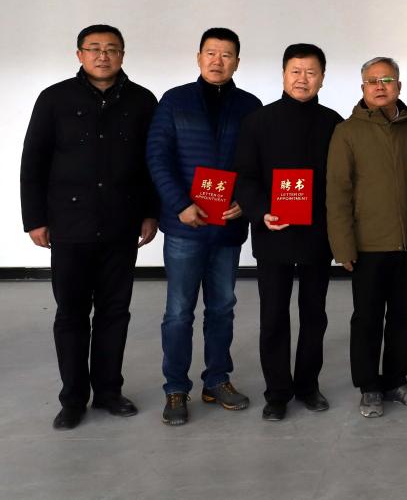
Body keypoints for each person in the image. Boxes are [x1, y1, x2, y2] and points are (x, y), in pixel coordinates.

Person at [21, 24, 158, 430]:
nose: (103, 55)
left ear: (122, 55)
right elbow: (33, 161)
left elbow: (152, 163)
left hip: (121, 225)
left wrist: (151, 212)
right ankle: (73, 399)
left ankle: (110, 392)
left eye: (112, 49)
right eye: (94, 48)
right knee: (71, 314)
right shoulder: (54, 98)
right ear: (79, 54)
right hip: (69, 226)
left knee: (115, 312)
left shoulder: (142, 100)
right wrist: (35, 219)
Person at [146, 27, 262, 425]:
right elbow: (157, 157)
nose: (218, 60)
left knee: (223, 308)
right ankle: (176, 388)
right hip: (186, 228)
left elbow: (256, 164)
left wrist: (245, 201)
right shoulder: (174, 100)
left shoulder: (249, 106)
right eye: (211, 53)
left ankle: (217, 380)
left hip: (227, 228)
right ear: (198, 58)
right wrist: (180, 204)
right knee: (179, 311)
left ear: (237, 62)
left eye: (226, 54)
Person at [234, 43, 342, 421]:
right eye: (295, 71)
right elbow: (244, 177)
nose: (302, 79)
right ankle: (277, 392)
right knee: (274, 316)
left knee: (314, 315)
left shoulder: (333, 124)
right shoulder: (258, 122)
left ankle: (308, 386)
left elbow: (341, 183)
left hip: (317, 234)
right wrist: (261, 211)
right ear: (283, 75)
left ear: (322, 78)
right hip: (273, 232)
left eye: (311, 72)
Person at [326, 56, 407, 418]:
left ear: (399, 86)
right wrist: (343, 245)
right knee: (367, 318)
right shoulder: (347, 132)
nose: (380, 87)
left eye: (387, 80)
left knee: (403, 315)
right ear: (363, 88)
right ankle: (369, 386)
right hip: (367, 244)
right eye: (372, 81)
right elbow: (337, 192)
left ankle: (397, 380)